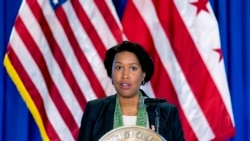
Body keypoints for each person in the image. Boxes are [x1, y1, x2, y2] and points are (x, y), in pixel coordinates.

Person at [77, 41, 185, 141]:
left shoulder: (166, 112)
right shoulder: (95, 110)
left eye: (133, 68)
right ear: (111, 73)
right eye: (119, 67)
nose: (125, 75)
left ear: (143, 74)